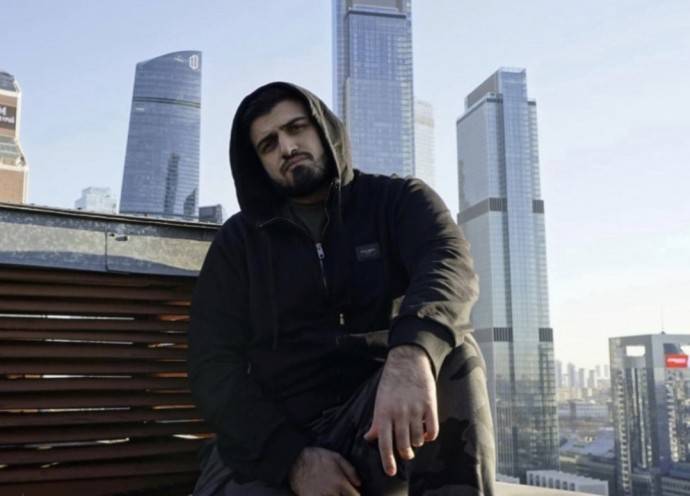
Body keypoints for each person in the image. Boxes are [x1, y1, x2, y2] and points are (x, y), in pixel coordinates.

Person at [188, 82, 495, 495]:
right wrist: (293, 461)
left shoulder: (396, 201)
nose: (287, 147)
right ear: (257, 162)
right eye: (268, 144)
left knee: (452, 352)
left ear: (323, 129)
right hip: (271, 443)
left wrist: (410, 355)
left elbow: (448, 262)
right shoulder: (238, 243)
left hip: (374, 420)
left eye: (296, 127)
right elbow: (212, 367)